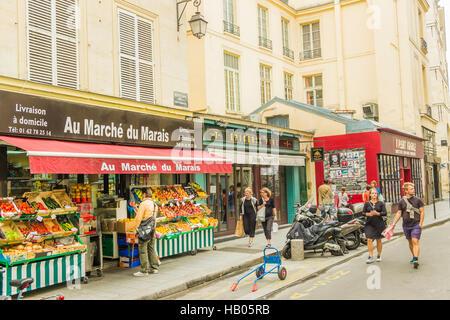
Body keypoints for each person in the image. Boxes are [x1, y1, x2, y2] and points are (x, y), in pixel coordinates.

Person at [390, 182, 425, 269]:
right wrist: (393, 224)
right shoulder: (402, 201)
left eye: (413, 188)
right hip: (406, 225)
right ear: (406, 191)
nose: (413, 190)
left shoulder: (418, 200)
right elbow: (399, 213)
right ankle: (414, 256)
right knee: (410, 242)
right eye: (411, 189)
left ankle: (416, 259)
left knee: (415, 241)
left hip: (416, 224)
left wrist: (420, 223)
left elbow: (422, 212)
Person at [127, 188, 159, 277]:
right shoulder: (155, 204)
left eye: (142, 194)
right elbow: (153, 218)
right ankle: (154, 267)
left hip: (144, 230)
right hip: (152, 229)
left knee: (143, 249)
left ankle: (144, 270)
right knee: (151, 248)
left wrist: (134, 230)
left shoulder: (143, 204)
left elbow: (138, 219)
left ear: (144, 195)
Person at [362, 188, 387, 264]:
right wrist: (368, 214)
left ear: (377, 195)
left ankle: (379, 255)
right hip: (369, 224)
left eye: (375, 193)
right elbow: (363, 213)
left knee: (378, 240)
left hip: (379, 224)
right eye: (372, 193)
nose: (374, 195)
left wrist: (377, 213)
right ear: (370, 194)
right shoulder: (367, 203)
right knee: (369, 239)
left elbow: (384, 213)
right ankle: (370, 256)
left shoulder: (381, 203)